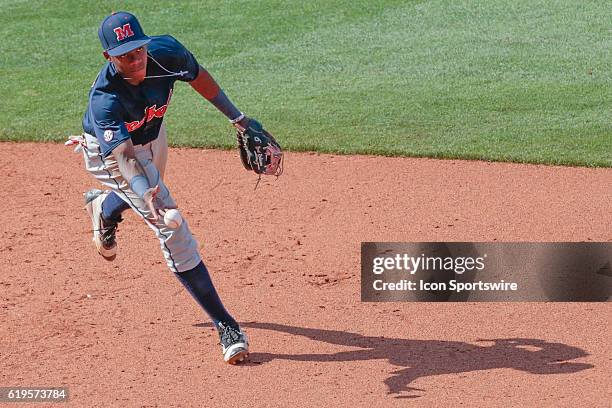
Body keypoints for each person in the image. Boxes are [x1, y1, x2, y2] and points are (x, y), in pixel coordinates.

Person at [73, 11, 257, 364]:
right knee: (173, 231)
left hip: (153, 138)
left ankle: (104, 208)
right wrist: (145, 192)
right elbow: (124, 158)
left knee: (148, 195)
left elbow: (199, 77)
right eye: (125, 55)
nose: (136, 59)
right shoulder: (105, 99)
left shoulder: (167, 52)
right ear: (108, 57)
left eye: (139, 50)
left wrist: (238, 119)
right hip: (109, 154)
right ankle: (227, 326)